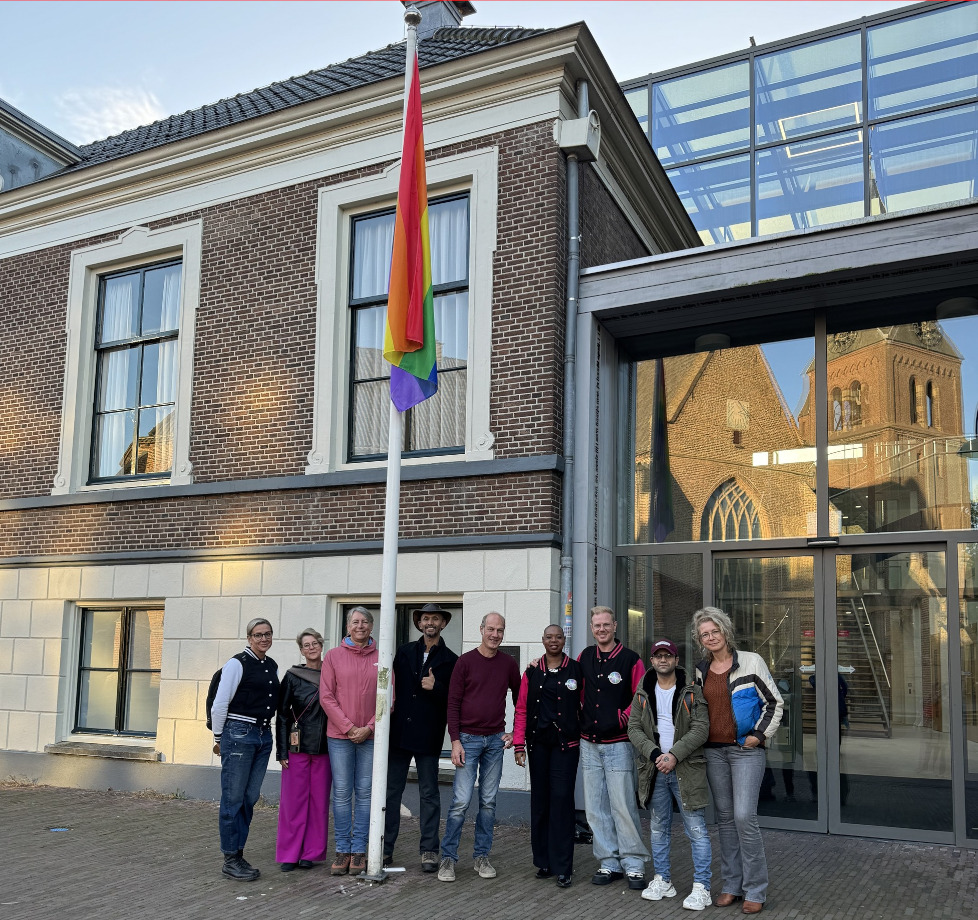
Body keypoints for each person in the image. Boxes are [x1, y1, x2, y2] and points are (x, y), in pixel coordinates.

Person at [693, 607, 783, 915]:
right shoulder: (701, 669)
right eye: (705, 634)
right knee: (726, 820)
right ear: (700, 639)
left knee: (745, 817)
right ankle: (732, 885)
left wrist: (759, 735)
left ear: (725, 631)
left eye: (714, 631)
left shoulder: (750, 661)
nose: (710, 637)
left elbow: (774, 702)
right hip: (713, 752)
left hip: (745, 751)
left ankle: (755, 888)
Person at [628, 638, 712, 910]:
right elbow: (633, 729)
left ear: (676, 660)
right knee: (658, 828)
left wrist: (674, 755)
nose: (663, 660)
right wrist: (656, 755)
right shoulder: (643, 691)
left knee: (696, 829)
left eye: (668, 655)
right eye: (658, 656)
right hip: (655, 769)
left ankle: (703, 887)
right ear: (651, 661)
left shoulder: (691, 691)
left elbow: (701, 729)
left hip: (685, 768)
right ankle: (663, 879)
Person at [437, 612, 521, 882]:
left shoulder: (508, 664)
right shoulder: (465, 662)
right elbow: (452, 704)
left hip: (495, 741)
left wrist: (515, 734)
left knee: (488, 802)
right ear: (481, 629)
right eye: (491, 629)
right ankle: (448, 860)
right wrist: (456, 741)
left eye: (500, 630)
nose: (495, 635)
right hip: (468, 740)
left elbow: (522, 700)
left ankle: (481, 857)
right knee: (460, 802)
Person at [578, 605, 649, 890]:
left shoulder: (631, 660)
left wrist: (621, 719)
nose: (601, 630)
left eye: (606, 625)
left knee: (622, 806)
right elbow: (574, 688)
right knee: (595, 808)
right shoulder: (584, 657)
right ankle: (609, 862)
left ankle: (634, 864)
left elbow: (641, 697)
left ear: (615, 626)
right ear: (592, 628)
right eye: (597, 626)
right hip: (589, 744)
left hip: (618, 744)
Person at [385, 603, 459, 872]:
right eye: (426, 618)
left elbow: (455, 698)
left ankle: (429, 851)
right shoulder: (404, 652)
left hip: (428, 736)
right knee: (392, 793)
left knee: (429, 794)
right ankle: (385, 848)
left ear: (443, 624)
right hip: (399, 734)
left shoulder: (452, 660)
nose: (430, 622)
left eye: (435, 618)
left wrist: (436, 686)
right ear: (419, 623)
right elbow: (389, 688)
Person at [513, 624, 582, 888]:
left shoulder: (576, 669)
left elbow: (586, 705)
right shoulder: (531, 671)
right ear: (542, 640)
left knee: (562, 801)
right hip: (538, 745)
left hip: (567, 745)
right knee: (540, 801)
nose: (554, 641)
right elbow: (521, 709)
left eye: (558, 637)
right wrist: (519, 744)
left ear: (564, 640)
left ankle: (564, 866)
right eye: (549, 637)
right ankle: (543, 861)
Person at [211, 617, 279, 881]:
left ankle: (238, 852)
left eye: (268, 634)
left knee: (250, 797)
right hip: (238, 733)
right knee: (233, 798)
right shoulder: (237, 663)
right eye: (258, 634)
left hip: (263, 735)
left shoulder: (270, 664)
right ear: (249, 638)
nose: (264, 638)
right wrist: (218, 738)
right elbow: (220, 705)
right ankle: (230, 858)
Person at [320, 606, 378, 877]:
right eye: (355, 622)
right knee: (342, 794)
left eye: (365, 622)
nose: (360, 626)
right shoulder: (332, 657)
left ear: (371, 626)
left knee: (365, 794)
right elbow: (326, 697)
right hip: (340, 737)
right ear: (347, 626)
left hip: (370, 737)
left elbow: (387, 699)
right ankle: (342, 849)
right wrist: (348, 727)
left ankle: (359, 852)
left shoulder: (382, 658)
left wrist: (368, 728)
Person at [275, 628, 330, 871]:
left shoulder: (333, 673)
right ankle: (289, 854)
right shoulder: (292, 676)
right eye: (306, 645)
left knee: (318, 803)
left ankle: (311, 853)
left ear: (321, 645)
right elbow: (282, 715)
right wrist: (282, 751)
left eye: (314, 643)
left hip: (326, 747)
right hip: (297, 747)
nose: (311, 647)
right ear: (301, 650)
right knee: (293, 803)